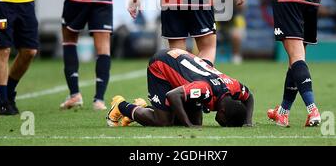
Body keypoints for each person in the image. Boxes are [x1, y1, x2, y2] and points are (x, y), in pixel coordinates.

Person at [106, 48, 254, 127]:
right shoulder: (204, 89)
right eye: (225, 122)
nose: (222, 124)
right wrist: (187, 124)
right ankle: (121, 106)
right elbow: (173, 95)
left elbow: (250, 97)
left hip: (181, 62)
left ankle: (143, 108)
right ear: (222, 111)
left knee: (195, 122)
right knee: (163, 121)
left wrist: (248, 122)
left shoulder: (233, 86)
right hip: (161, 64)